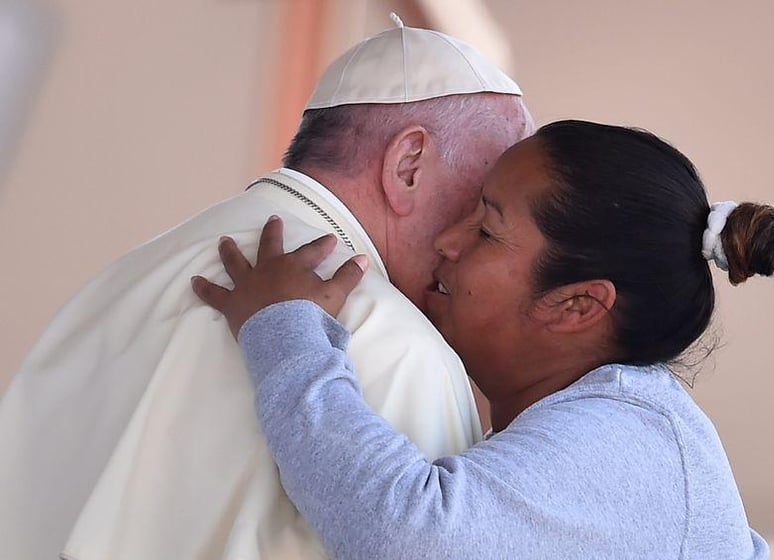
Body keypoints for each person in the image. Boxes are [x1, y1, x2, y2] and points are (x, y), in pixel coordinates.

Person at [0, 19, 533, 560]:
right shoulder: (389, 339)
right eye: (484, 202)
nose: (468, 242)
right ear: (408, 165)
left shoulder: (135, 270)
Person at [192, 120, 774, 559]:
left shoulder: (635, 440)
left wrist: (285, 330)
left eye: (486, 228)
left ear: (578, 305)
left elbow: (410, 535)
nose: (448, 241)